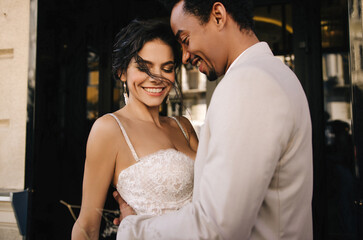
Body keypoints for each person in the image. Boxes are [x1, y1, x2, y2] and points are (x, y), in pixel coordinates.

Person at [114, 0, 314, 239]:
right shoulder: (279, 74)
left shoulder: (247, 83)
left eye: (186, 40)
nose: (185, 57)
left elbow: (216, 227)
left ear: (218, 15)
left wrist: (133, 229)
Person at [71, 19, 199, 240]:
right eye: (144, 67)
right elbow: (87, 226)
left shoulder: (183, 126)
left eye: (167, 68)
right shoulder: (109, 129)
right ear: (122, 72)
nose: (157, 78)